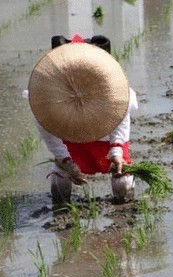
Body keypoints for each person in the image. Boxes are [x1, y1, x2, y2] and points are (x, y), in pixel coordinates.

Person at [26, 34, 138, 205]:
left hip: (105, 139)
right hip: (70, 139)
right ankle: (61, 206)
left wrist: (116, 151)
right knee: (60, 179)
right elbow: (49, 131)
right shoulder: (44, 97)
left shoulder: (116, 91)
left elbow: (120, 120)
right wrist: (65, 160)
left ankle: (124, 206)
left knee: (122, 180)